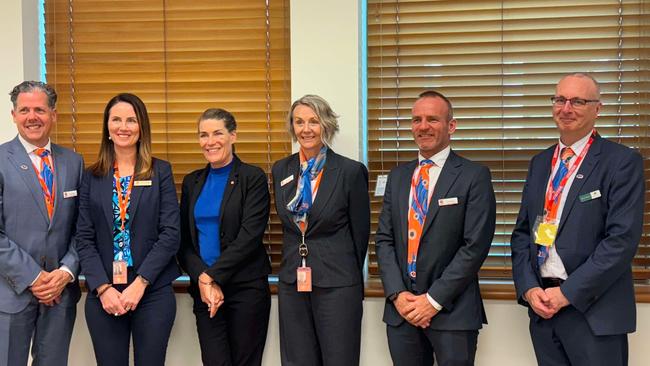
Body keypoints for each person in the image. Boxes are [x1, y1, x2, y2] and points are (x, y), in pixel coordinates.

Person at [511, 73, 644, 366]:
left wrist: (566, 294)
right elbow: (523, 234)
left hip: (593, 311)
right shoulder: (540, 162)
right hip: (543, 308)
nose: (566, 108)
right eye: (560, 99)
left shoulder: (621, 162)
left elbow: (620, 241)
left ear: (597, 108)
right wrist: (530, 288)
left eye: (578, 101)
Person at [375, 90, 496, 366]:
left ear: (451, 126)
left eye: (432, 119)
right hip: (402, 311)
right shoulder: (398, 176)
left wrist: (432, 300)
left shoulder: (474, 176)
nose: (423, 126)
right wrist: (397, 294)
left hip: (452, 311)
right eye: (416, 119)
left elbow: (474, 246)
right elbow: (384, 240)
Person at [75, 93, 180, 365]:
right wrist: (102, 287)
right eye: (117, 119)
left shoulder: (160, 171)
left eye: (131, 120)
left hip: (152, 290)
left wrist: (141, 282)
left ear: (141, 127)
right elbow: (84, 238)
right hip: (104, 292)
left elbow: (170, 234)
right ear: (107, 127)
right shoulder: (92, 176)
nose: (124, 126)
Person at [272, 95, 370, 366]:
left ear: (326, 125)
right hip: (293, 281)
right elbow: (287, 227)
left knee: (339, 359)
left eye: (314, 121)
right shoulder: (281, 169)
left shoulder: (350, 172)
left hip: (337, 283)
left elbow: (360, 234)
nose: (306, 129)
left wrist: (346, 272)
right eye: (299, 122)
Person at [178, 108, 271, 366]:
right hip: (205, 292)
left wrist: (211, 276)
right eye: (203, 135)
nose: (210, 142)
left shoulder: (252, 178)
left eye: (217, 133)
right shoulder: (192, 181)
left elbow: (249, 237)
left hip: (246, 289)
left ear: (233, 135)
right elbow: (184, 241)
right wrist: (204, 281)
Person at [0, 80, 83, 366]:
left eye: (40, 109)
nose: (32, 117)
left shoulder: (74, 162)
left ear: (54, 115)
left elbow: (82, 228)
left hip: (60, 293)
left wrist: (64, 272)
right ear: (13, 115)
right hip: (11, 293)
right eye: (24, 110)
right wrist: (36, 278)